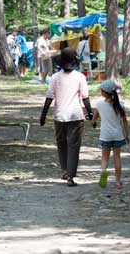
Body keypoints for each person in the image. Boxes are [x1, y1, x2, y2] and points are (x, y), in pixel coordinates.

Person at [40, 47, 93, 186]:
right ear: (74, 62)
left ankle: (65, 170)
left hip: (59, 116)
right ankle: (70, 176)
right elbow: (85, 97)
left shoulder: (55, 77)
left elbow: (49, 97)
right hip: (76, 115)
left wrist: (43, 115)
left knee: (61, 144)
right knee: (74, 146)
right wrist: (90, 113)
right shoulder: (80, 77)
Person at [91, 79, 130, 189]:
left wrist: (90, 120)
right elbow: (125, 121)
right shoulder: (120, 105)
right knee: (117, 158)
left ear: (104, 92)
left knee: (104, 158)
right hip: (118, 135)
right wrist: (127, 135)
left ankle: (103, 173)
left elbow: (93, 121)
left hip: (105, 136)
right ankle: (118, 182)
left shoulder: (99, 105)